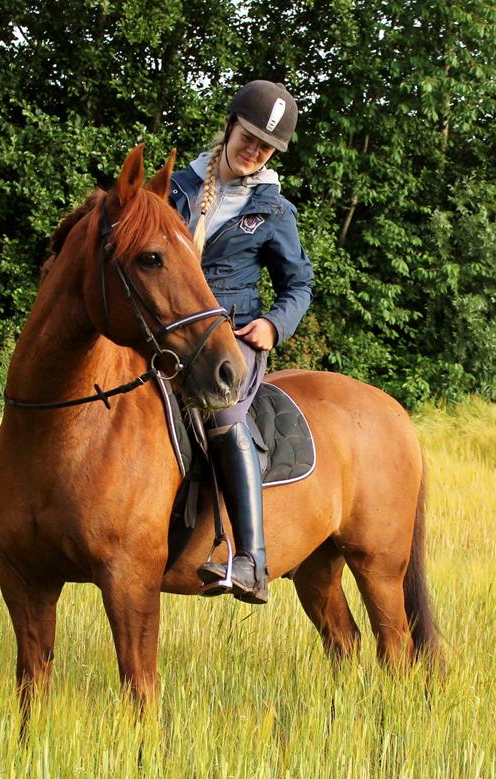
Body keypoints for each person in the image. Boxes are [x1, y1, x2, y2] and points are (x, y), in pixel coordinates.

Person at [169, 80, 313, 604]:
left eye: (266, 146)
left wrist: (274, 325)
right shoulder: (176, 186)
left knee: (225, 417)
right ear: (229, 126)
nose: (254, 151)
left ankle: (250, 559)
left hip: (231, 338)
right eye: (249, 137)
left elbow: (298, 285)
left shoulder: (274, 211)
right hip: (166, 330)